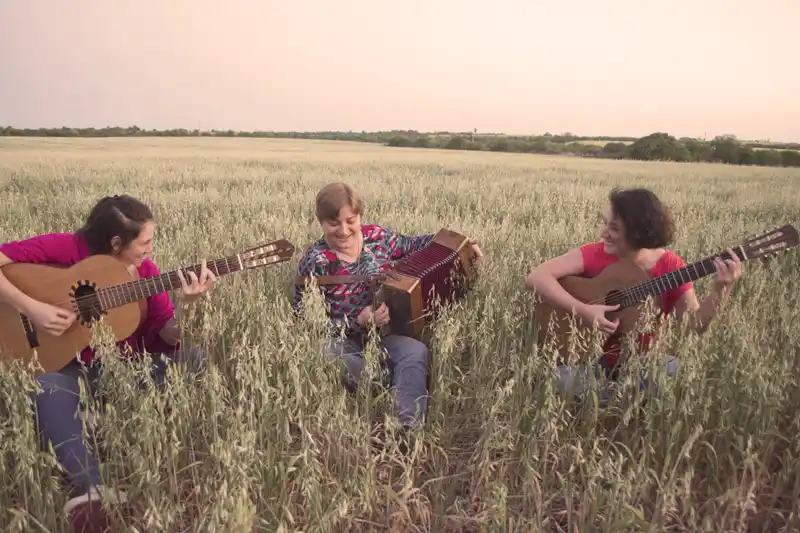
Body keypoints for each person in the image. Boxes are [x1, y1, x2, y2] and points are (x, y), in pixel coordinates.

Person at [0, 195, 216, 533]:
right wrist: (30, 307)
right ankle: (93, 490)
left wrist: (187, 306)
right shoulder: (66, 248)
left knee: (196, 360)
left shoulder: (148, 274)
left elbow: (170, 336)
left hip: (121, 374)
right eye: (145, 242)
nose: (150, 249)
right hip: (64, 372)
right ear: (116, 243)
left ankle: (91, 419)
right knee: (43, 387)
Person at [293, 182, 483, 432]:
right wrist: (356, 321)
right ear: (320, 222)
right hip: (342, 341)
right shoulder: (315, 261)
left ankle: (406, 428)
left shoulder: (377, 237)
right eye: (333, 223)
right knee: (324, 355)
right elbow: (303, 318)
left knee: (416, 351)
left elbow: (417, 245)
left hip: (387, 335)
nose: (343, 230)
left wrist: (464, 245)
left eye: (351, 220)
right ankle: (382, 379)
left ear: (359, 215)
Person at [525, 187, 742, 402]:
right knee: (557, 378)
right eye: (604, 223)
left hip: (640, 362)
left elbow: (695, 325)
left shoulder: (670, 266)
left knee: (676, 371)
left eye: (614, 228)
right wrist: (584, 312)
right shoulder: (594, 253)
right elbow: (537, 277)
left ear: (638, 232)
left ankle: (607, 398)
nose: (603, 233)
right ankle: (619, 399)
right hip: (586, 360)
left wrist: (720, 289)